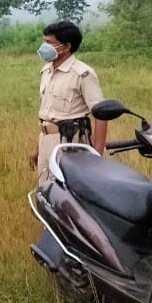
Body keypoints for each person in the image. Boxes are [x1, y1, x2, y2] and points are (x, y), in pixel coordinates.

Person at [29, 22, 106, 185]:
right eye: (44, 41)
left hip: (70, 142)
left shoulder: (82, 73)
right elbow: (48, 114)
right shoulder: (46, 71)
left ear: (66, 47)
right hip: (46, 140)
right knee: (46, 192)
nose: (44, 46)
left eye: (49, 43)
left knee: (69, 193)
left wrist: (97, 156)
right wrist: (38, 149)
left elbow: (101, 114)